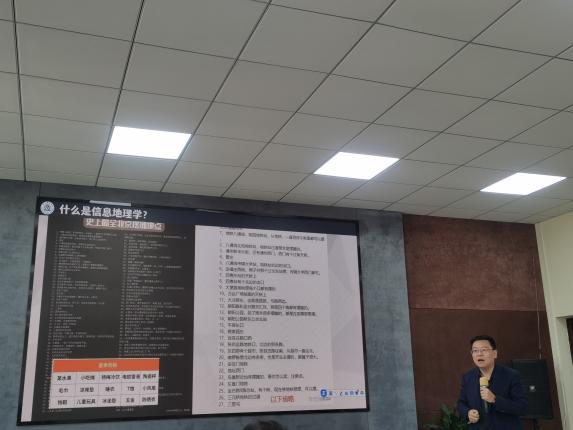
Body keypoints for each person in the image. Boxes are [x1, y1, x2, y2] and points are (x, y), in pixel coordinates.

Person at [457, 335, 528, 429]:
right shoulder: (468, 377)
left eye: (484, 350)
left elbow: (522, 407)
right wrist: (468, 413)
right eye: (475, 350)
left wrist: (495, 399)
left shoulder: (511, 375)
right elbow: (461, 404)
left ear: (495, 353)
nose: (479, 354)